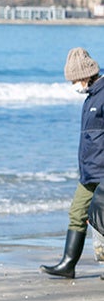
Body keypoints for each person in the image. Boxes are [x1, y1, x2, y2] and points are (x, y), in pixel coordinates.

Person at [40, 47, 104, 278]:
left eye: (74, 80)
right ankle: (68, 264)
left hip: (103, 172)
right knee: (77, 212)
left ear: (86, 75)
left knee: (102, 220)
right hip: (89, 172)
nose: (73, 85)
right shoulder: (90, 98)